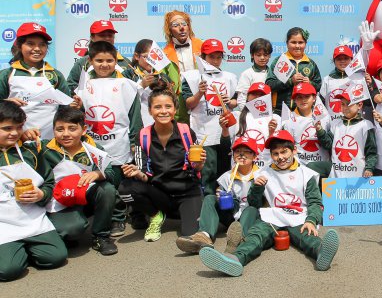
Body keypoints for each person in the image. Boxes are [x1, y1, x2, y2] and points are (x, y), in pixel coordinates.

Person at [198, 130, 339, 276]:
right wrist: (257, 188)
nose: (280, 157)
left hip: (299, 217)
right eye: (275, 154)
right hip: (272, 217)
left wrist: (311, 220)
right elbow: (254, 203)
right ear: (271, 155)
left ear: (294, 150)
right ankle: (235, 259)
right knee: (256, 236)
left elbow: (315, 201)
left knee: (308, 237)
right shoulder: (262, 173)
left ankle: (322, 253)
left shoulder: (306, 174)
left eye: (284, 152)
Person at [118, 87, 205, 242]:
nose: (163, 111)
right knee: (125, 188)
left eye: (168, 106)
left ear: (175, 109)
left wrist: (199, 164)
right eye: (157, 107)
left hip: (187, 192)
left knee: (190, 236)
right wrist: (137, 173)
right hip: (160, 195)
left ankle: (185, 215)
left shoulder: (186, 132)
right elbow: (144, 172)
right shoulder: (143, 135)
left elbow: (196, 168)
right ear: (150, 111)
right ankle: (155, 216)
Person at [76, 41, 142, 237]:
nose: (104, 65)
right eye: (99, 61)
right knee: (97, 181)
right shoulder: (83, 85)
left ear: (116, 61)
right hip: (92, 142)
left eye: (109, 60)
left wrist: (133, 141)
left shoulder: (126, 85)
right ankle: (99, 214)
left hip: (118, 142)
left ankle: (118, 218)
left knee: (118, 181)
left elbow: (135, 116)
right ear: (90, 61)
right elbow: (78, 115)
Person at [0, 101, 66, 281]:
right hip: (3, 225)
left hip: (31, 218)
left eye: (19, 127)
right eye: (7, 128)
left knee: (56, 258)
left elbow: (49, 181)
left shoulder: (29, 152)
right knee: (8, 271)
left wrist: (41, 194)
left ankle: (21, 249)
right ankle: (12, 251)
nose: (14, 133)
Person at [41, 107, 119, 255]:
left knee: (107, 189)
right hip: (60, 201)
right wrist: (24, 136)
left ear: (83, 130)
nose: (65, 134)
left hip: (86, 198)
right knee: (71, 230)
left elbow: (112, 174)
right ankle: (66, 230)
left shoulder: (94, 149)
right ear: (53, 130)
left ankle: (101, 236)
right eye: (60, 129)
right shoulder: (44, 148)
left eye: (72, 129)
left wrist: (98, 173)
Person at [175, 135, 260, 255]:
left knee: (251, 209)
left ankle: (238, 240)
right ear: (233, 156)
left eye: (247, 152)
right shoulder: (227, 176)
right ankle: (203, 236)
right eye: (238, 152)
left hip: (251, 216)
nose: (242, 155)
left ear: (255, 156)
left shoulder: (262, 175)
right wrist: (220, 194)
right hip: (232, 214)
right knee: (210, 198)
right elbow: (220, 192)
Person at [181, 38, 238, 190]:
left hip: (225, 133)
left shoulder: (230, 77)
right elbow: (188, 104)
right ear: (203, 57)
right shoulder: (191, 76)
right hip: (204, 133)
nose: (215, 60)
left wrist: (230, 102)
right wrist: (200, 92)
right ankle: (206, 205)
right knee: (208, 176)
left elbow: (236, 102)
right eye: (211, 57)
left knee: (225, 174)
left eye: (219, 57)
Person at [0, 22, 73, 140]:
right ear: (19, 46)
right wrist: (6, 103)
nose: (37, 49)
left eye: (42, 45)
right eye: (30, 44)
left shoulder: (55, 75)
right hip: (16, 141)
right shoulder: (7, 75)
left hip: (50, 141)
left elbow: (66, 109)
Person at [315, 91, 377, 178]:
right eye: (343, 104)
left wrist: (369, 168)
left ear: (359, 105)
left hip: (357, 175)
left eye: (349, 104)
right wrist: (320, 130)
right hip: (336, 175)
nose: (345, 107)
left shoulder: (366, 125)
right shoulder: (336, 123)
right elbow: (328, 144)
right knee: (312, 167)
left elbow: (371, 151)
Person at [66, 20, 132, 93]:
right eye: (102, 35)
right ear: (92, 37)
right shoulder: (83, 63)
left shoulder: (125, 62)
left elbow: (132, 89)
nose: (107, 38)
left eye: (110, 35)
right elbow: (70, 86)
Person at [266, 27, 322, 112]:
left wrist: (309, 83)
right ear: (287, 43)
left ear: (305, 43)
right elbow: (269, 85)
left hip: (304, 112)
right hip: (280, 111)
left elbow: (318, 87)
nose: (297, 46)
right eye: (293, 42)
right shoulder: (279, 61)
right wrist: (290, 81)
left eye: (300, 42)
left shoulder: (311, 64)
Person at [161, 11, 203, 123]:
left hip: (202, 95)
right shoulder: (164, 54)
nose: (181, 28)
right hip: (178, 101)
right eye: (175, 25)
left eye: (184, 24)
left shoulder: (202, 46)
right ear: (169, 30)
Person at [228, 82, 280, 169]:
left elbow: (277, 147)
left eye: (262, 95)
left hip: (266, 169)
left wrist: (272, 132)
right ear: (248, 97)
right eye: (254, 94)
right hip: (240, 169)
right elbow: (227, 143)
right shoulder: (237, 116)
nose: (257, 97)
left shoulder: (275, 118)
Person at [123, 39, 174, 126]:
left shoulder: (163, 77)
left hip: (160, 123)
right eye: (147, 57)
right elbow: (124, 99)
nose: (151, 61)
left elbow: (172, 102)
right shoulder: (128, 74)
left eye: (153, 57)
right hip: (136, 122)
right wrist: (142, 85)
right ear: (136, 56)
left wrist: (169, 91)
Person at [280, 82, 330, 166]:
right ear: (294, 100)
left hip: (322, 167)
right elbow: (286, 147)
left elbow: (329, 144)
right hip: (300, 168)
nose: (303, 100)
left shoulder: (325, 117)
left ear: (314, 98)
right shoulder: (289, 120)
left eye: (307, 96)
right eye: (299, 97)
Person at [235, 38, 272, 110]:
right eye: (258, 55)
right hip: (252, 115)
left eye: (265, 55)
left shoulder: (273, 73)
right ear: (252, 55)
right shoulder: (247, 74)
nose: (262, 58)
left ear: (270, 55)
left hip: (270, 114)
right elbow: (241, 99)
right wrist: (247, 115)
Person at [319, 45, 353, 123]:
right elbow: (321, 104)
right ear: (334, 61)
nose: (342, 61)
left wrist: (369, 85)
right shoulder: (327, 80)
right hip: (333, 125)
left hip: (353, 126)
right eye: (339, 59)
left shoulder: (357, 78)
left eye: (346, 58)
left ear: (351, 59)